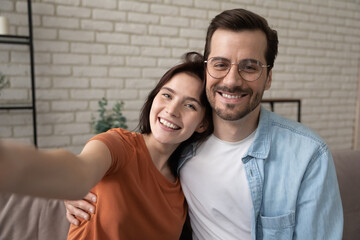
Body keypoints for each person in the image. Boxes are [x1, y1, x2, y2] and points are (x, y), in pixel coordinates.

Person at [65, 8, 344, 240]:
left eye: (249, 67)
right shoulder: (180, 148)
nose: (233, 80)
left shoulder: (308, 155)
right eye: (220, 64)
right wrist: (72, 187)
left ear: (268, 77)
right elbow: (117, 165)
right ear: (208, 68)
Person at [0, 52, 213, 240]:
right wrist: (68, 186)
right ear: (154, 98)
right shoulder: (119, 145)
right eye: (167, 95)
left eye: (190, 105)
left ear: (202, 123)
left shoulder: (181, 192)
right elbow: (79, 171)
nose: (172, 110)